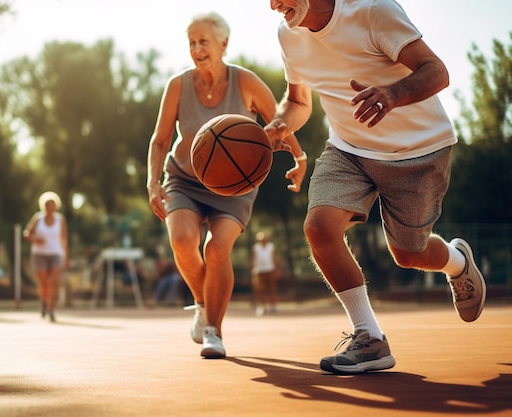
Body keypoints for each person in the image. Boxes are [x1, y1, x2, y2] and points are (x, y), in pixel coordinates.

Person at [266, 0, 486, 374]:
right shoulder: (288, 35)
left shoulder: (373, 11)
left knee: (408, 254)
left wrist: (392, 94)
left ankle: (457, 261)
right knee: (319, 228)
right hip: (348, 150)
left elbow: (437, 72)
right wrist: (280, 123)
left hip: (418, 152)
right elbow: (299, 100)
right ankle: (369, 338)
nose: (273, 5)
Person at [147, 11, 307, 359]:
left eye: (203, 41)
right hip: (185, 179)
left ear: (224, 43)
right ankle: (204, 302)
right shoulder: (178, 85)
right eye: (191, 42)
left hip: (234, 186)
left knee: (217, 249)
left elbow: (279, 121)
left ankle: (213, 331)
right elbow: (160, 140)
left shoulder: (245, 82)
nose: (196, 48)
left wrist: (299, 158)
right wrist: (153, 181)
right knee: (182, 240)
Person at [23, 191, 69, 323]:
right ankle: (44, 301)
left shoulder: (61, 220)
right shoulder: (38, 218)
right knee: (43, 283)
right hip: (40, 254)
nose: (51, 207)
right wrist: (35, 239)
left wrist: (66, 257)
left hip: (56, 253)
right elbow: (26, 233)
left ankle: (51, 309)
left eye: (53, 204)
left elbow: (64, 239)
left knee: (53, 282)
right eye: (48, 204)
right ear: (44, 206)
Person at [250, 231, 280, 316]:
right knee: (259, 289)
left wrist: (277, 269)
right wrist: (253, 269)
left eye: (263, 239)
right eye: (260, 240)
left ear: (266, 239)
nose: (262, 241)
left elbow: (275, 257)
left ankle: (273, 305)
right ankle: (261, 307)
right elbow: (253, 258)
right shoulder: (255, 248)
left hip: (270, 269)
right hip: (259, 271)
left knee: (272, 288)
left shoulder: (271, 247)